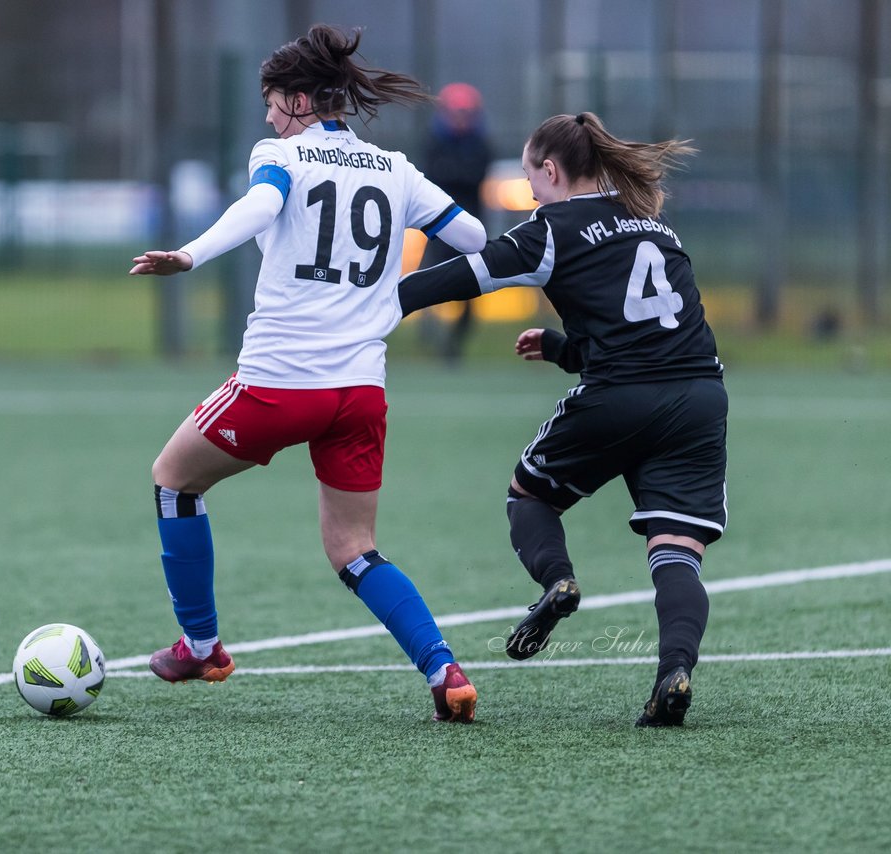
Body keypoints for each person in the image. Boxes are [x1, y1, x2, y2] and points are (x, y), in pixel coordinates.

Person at [129, 24, 488, 723]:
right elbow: (473, 239)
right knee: (356, 550)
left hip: (279, 384)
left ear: (298, 101)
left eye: (271, 102)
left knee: (172, 480)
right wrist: (399, 293)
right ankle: (444, 669)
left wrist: (190, 256)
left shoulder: (283, 154)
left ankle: (203, 644)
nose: (267, 116)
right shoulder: (398, 170)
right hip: (360, 392)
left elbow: (262, 205)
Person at [399, 112, 725, 727]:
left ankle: (559, 581)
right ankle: (673, 675)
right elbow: (651, 326)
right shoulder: (653, 224)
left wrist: (379, 299)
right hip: (700, 395)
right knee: (678, 549)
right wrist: (559, 348)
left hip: (623, 394)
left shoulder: (553, 226)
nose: (529, 194)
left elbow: (471, 274)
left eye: (530, 179)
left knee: (528, 494)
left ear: (551, 171)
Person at [417, 83, 493, 366]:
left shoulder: (482, 144)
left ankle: (453, 345)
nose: (461, 118)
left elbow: (470, 177)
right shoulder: (435, 142)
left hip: (472, 227)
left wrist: (454, 173)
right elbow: (438, 176)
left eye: (466, 112)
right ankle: (427, 331)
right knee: (428, 281)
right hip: (439, 227)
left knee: (472, 292)